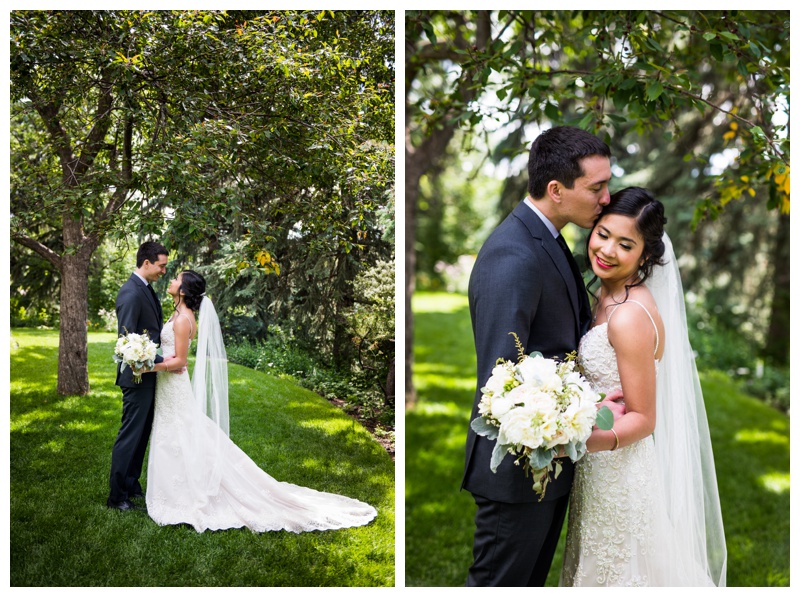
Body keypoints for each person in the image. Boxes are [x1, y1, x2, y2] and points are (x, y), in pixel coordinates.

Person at [463, 126, 623, 586]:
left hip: (549, 461)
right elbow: (503, 377)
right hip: (518, 471)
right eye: (597, 187)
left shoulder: (547, 239)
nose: (606, 198)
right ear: (556, 190)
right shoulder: (513, 255)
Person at [560, 187, 727, 586]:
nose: (607, 250)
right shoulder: (606, 293)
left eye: (625, 244)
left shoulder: (630, 316)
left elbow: (644, 418)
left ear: (645, 255)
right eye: (603, 233)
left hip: (619, 473)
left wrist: (574, 438)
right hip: (599, 470)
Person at [143, 270, 377, 532]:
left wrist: (146, 366)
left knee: (179, 432)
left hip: (174, 385)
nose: (172, 280)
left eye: (176, 279)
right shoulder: (178, 314)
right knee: (177, 434)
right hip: (170, 387)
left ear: (183, 291)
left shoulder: (183, 320)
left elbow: (181, 362)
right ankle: (178, 488)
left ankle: (188, 494)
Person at [108, 241, 169, 511]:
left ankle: (131, 484)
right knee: (130, 435)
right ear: (147, 263)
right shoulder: (131, 293)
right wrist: (155, 362)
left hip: (148, 375)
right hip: (136, 377)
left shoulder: (145, 289)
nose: (164, 271)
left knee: (142, 433)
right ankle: (116, 496)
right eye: (161, 265)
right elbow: (126, 341)